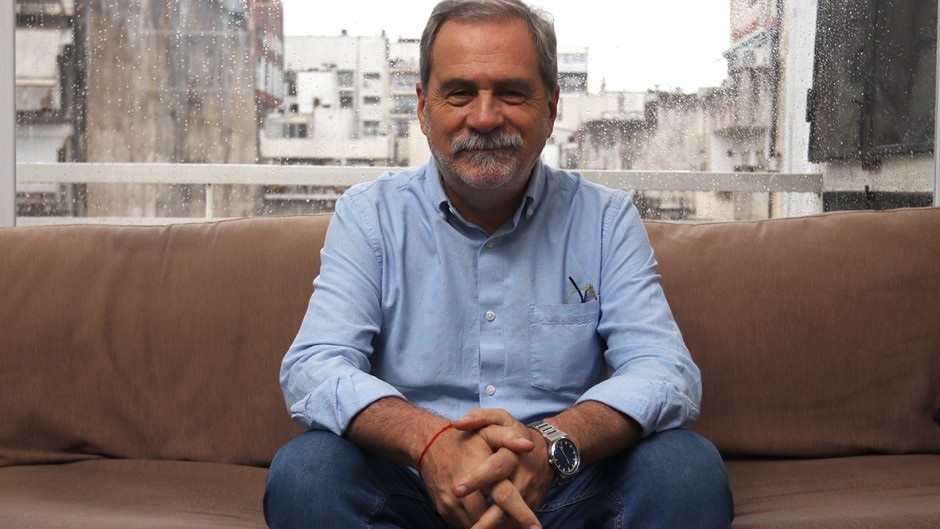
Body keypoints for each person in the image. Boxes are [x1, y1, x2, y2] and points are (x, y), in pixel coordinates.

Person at [264, 0, 734, 527]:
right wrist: (429, 442)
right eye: (459, 93)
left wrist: (551, 445)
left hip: (561, 489)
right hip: (415, 490)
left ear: (551, 107)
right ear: (422, 107)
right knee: (307, 471)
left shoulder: (605, 219)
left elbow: (665, 371)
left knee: (685, 468)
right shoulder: (369, 215)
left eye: (511, 93)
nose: (485, 118)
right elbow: (314, 366)